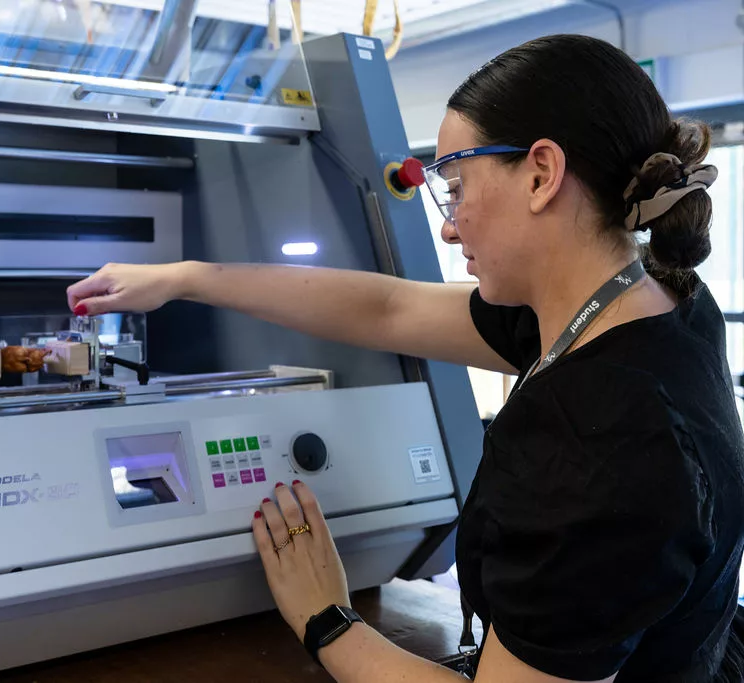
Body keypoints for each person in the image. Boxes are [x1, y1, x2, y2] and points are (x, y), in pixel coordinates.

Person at [68, 34, 744, 682]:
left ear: (541, 173)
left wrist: (327, 617)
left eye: (456, 186)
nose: (448, 225)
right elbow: (385, 310)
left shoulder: (598, 438)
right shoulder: (653, 301)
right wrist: (187, 278)